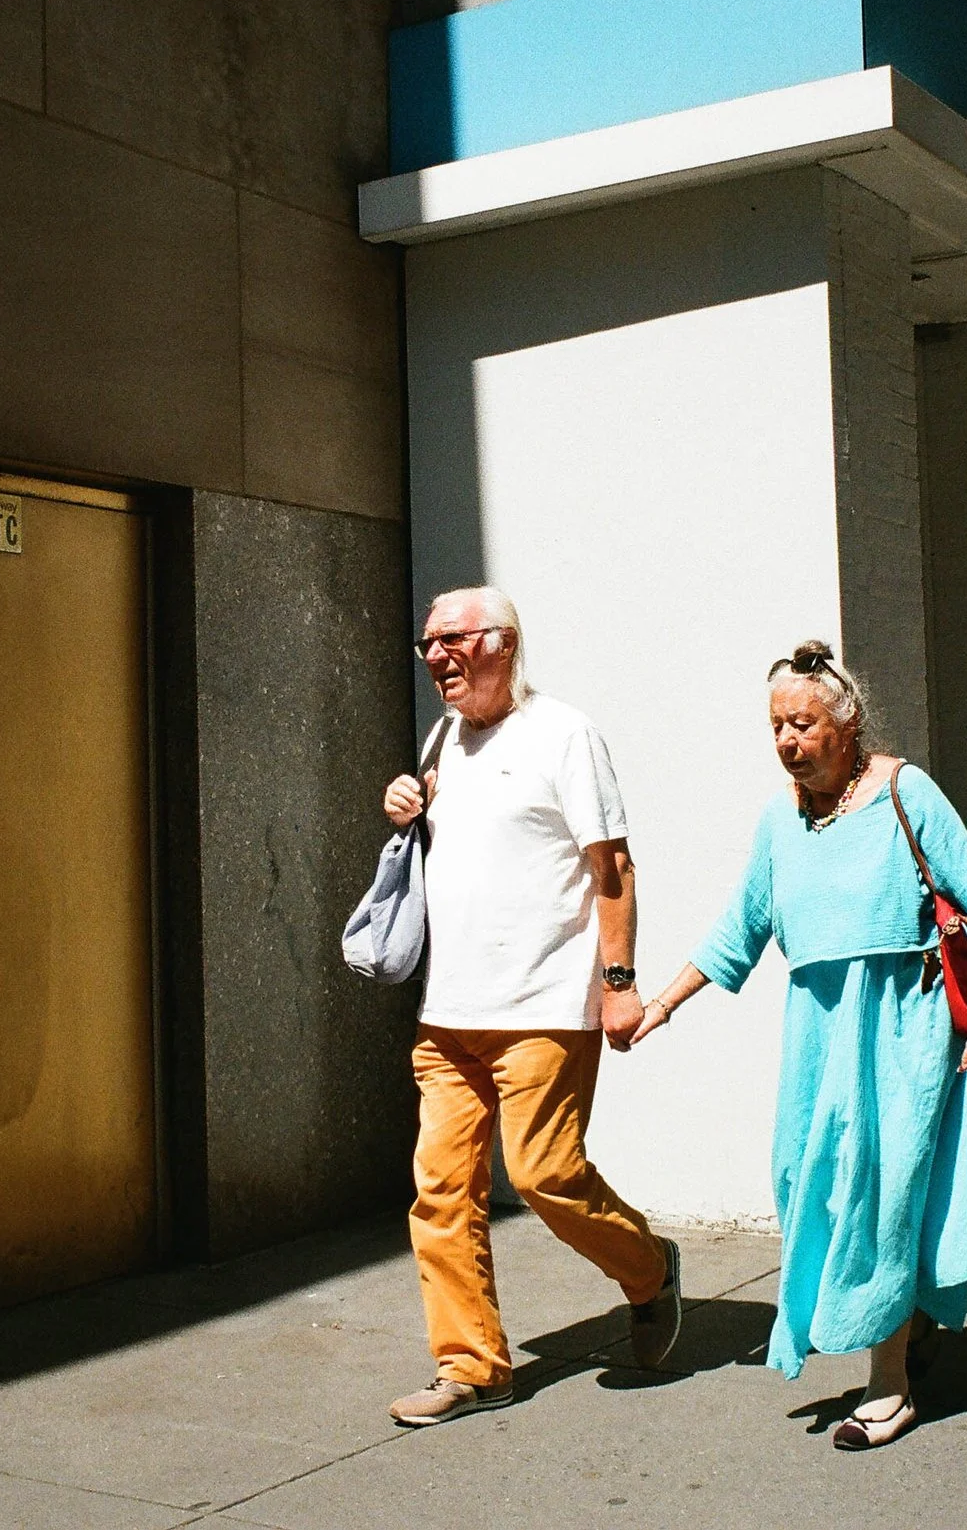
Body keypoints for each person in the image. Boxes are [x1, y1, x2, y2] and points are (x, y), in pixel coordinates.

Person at [632, 641, 967, 1451]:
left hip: (904, 1029)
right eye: (775, 724)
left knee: (882, 1194)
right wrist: (662, 1003)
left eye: (802, 723)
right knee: (810, 1184)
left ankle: (890, 1386)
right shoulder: (781, 819)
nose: (785, 739)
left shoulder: (906, 791)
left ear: (846, 725)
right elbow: (740, 927)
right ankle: (904, 1321)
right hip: (816, 1035)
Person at [377, 587, 679, 1427]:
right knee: (440, 1190)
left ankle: (649, 1269)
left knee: (546, 1174)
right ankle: (472, 1365)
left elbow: (611, 867)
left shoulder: (564, 734)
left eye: (451, 641)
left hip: (545, 1006)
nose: (435, 656)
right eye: (426, 643)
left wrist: (619, 982)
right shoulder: (445, 737)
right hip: (449, 1014)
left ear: (501, 642)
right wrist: (406, 801)